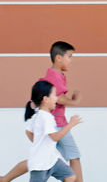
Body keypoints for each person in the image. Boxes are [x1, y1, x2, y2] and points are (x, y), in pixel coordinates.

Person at [0, 41, 83, 182]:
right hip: (58, 124)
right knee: (74, 156)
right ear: (58, 58)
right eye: (69, 56)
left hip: (55, 123)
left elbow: (57, 97)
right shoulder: (54, 76)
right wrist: (73, 102)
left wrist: (38, 140)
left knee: (37, 159)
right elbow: (59, 99)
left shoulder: (58, 75)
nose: (71, 60)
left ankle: (5, 178)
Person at [25, 80, 82, 182]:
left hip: (52, 161)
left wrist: (39, 141)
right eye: (54, 95)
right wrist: (70, 124)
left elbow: (28, 132)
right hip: (40, 165)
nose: (56, 98)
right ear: (46, 99)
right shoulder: (45, 117)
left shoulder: (39, 115)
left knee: (70, 176)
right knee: (70, 176)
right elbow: (55, 137)